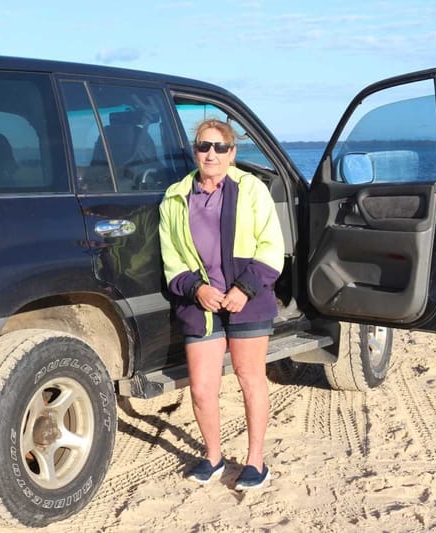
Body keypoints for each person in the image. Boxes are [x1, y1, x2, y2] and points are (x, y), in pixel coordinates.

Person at [159, 118, 284, 490]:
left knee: (249, 379)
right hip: (201, 302)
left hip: (248, 297)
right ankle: (213, 457)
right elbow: (172, 260)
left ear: (232, 153)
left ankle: (255, 461)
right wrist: (196, 288)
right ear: (194, 151)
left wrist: (244, 288)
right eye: (203, 146)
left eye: (219, 147)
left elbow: (271, 248)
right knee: (201, 387)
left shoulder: (252, 190)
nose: (210, 154)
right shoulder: (175, 197)